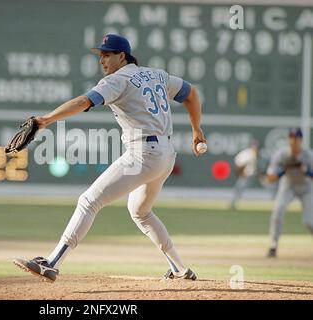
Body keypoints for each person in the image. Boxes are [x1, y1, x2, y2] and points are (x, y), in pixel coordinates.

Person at [13, 34, 207, 281]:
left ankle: (52, 262)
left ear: (122, 56)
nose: (102, 60)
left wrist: (46, 120)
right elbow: (191, 94)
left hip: (144, 154)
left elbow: (84, 101)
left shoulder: (117, 80)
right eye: (100, 55)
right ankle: (180, 270)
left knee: (89, 201)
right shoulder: (156, 74)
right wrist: (197, 130)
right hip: (166, 155)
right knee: (140, 211)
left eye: (107, 54)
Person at [265, 128, 313, 258]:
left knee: (309, 221)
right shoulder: (281, 155)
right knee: (278, 211)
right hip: (288, 186)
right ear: (288, 139)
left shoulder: (308, 155)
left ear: (301, 140)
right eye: (291, 137)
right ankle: (273, 246)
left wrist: (307, 171)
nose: (294, 140)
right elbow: (269, 179)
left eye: (296, 137)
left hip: (306, 187)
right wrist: (282, 171)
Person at [229, 140, 260, 210]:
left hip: (256, 175)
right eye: (254, 146)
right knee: (239, 189)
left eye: (256, 147)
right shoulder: (247, 154)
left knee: (269, 186)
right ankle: (232, 203)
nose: (255, 148)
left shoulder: (258, 154)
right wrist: (242, 174)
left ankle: (277, 202)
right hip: (246, 176)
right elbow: (239, 165)